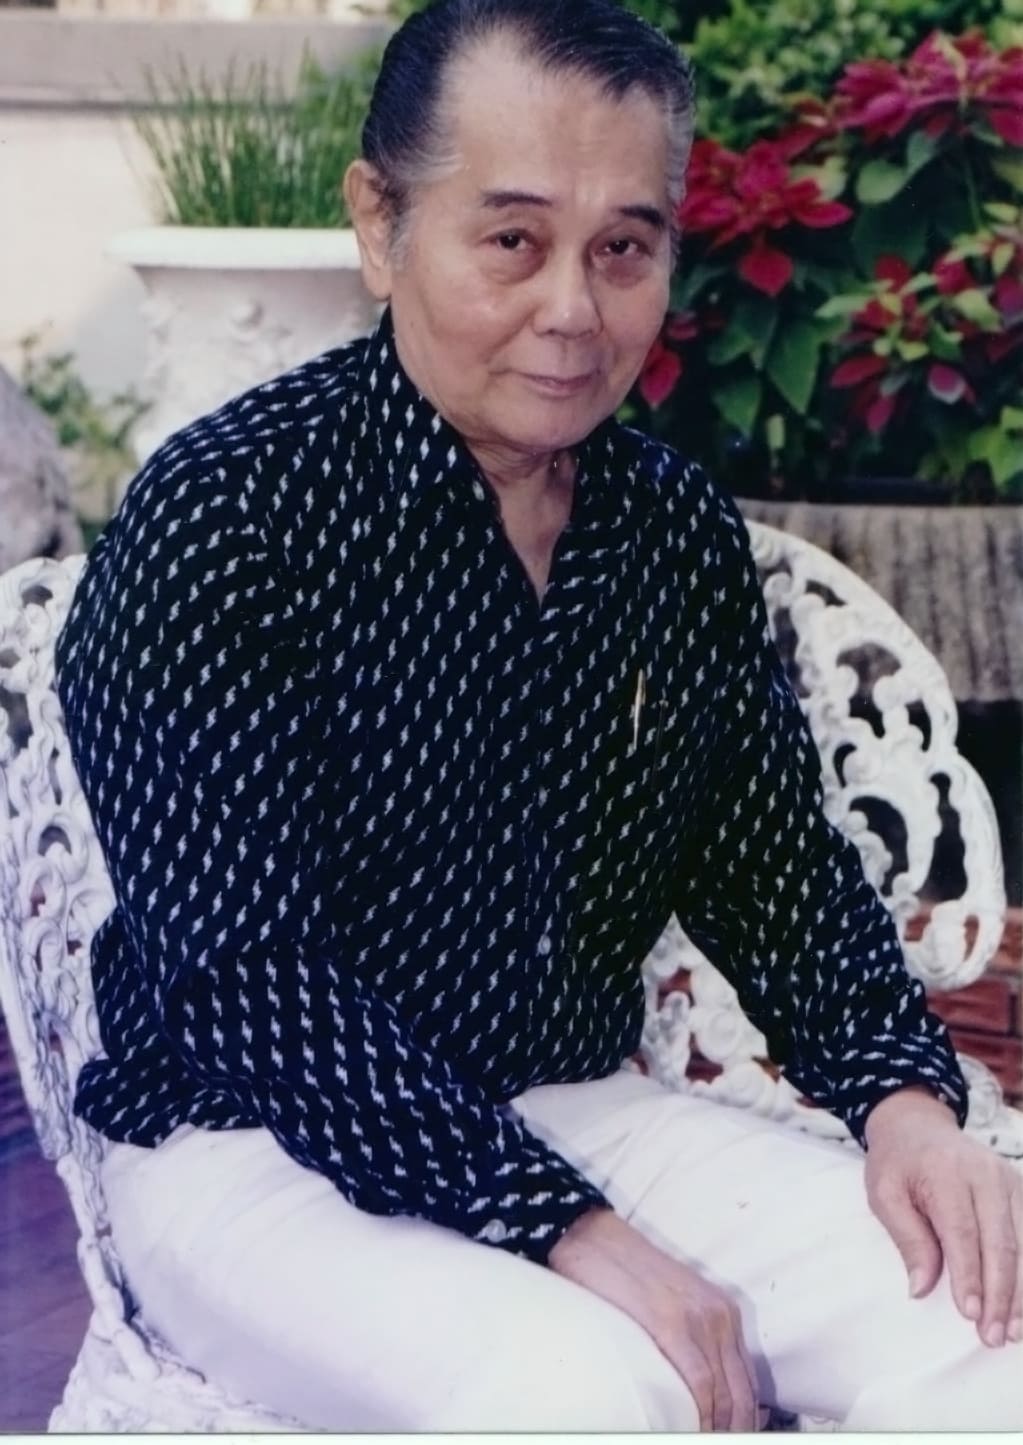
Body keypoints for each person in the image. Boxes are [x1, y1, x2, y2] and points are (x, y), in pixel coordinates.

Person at [55, 0, 1021, 1431]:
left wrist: (905, 1105)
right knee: (585, 1387)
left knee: (989, 1320)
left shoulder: (669, 529)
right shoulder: (224, 519)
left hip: (566, 1099)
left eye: (623, 249)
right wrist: (562, 1226)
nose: (573, 309)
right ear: (380, 224)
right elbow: (250, 982)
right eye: (512, 239)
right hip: (251, 1145)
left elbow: (774, 874)